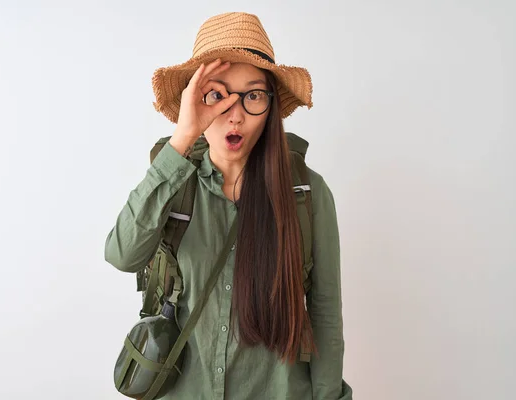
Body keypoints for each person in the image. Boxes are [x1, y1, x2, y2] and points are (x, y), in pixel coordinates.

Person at [104, 11, 353, 400]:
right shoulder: (172, 182)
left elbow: (324, 314)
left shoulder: (307, 193)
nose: (235, 114)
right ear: (194, 99)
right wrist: (182, 138)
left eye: (253, 95)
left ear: (270, 106)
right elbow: (121, 254)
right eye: (216, 95)